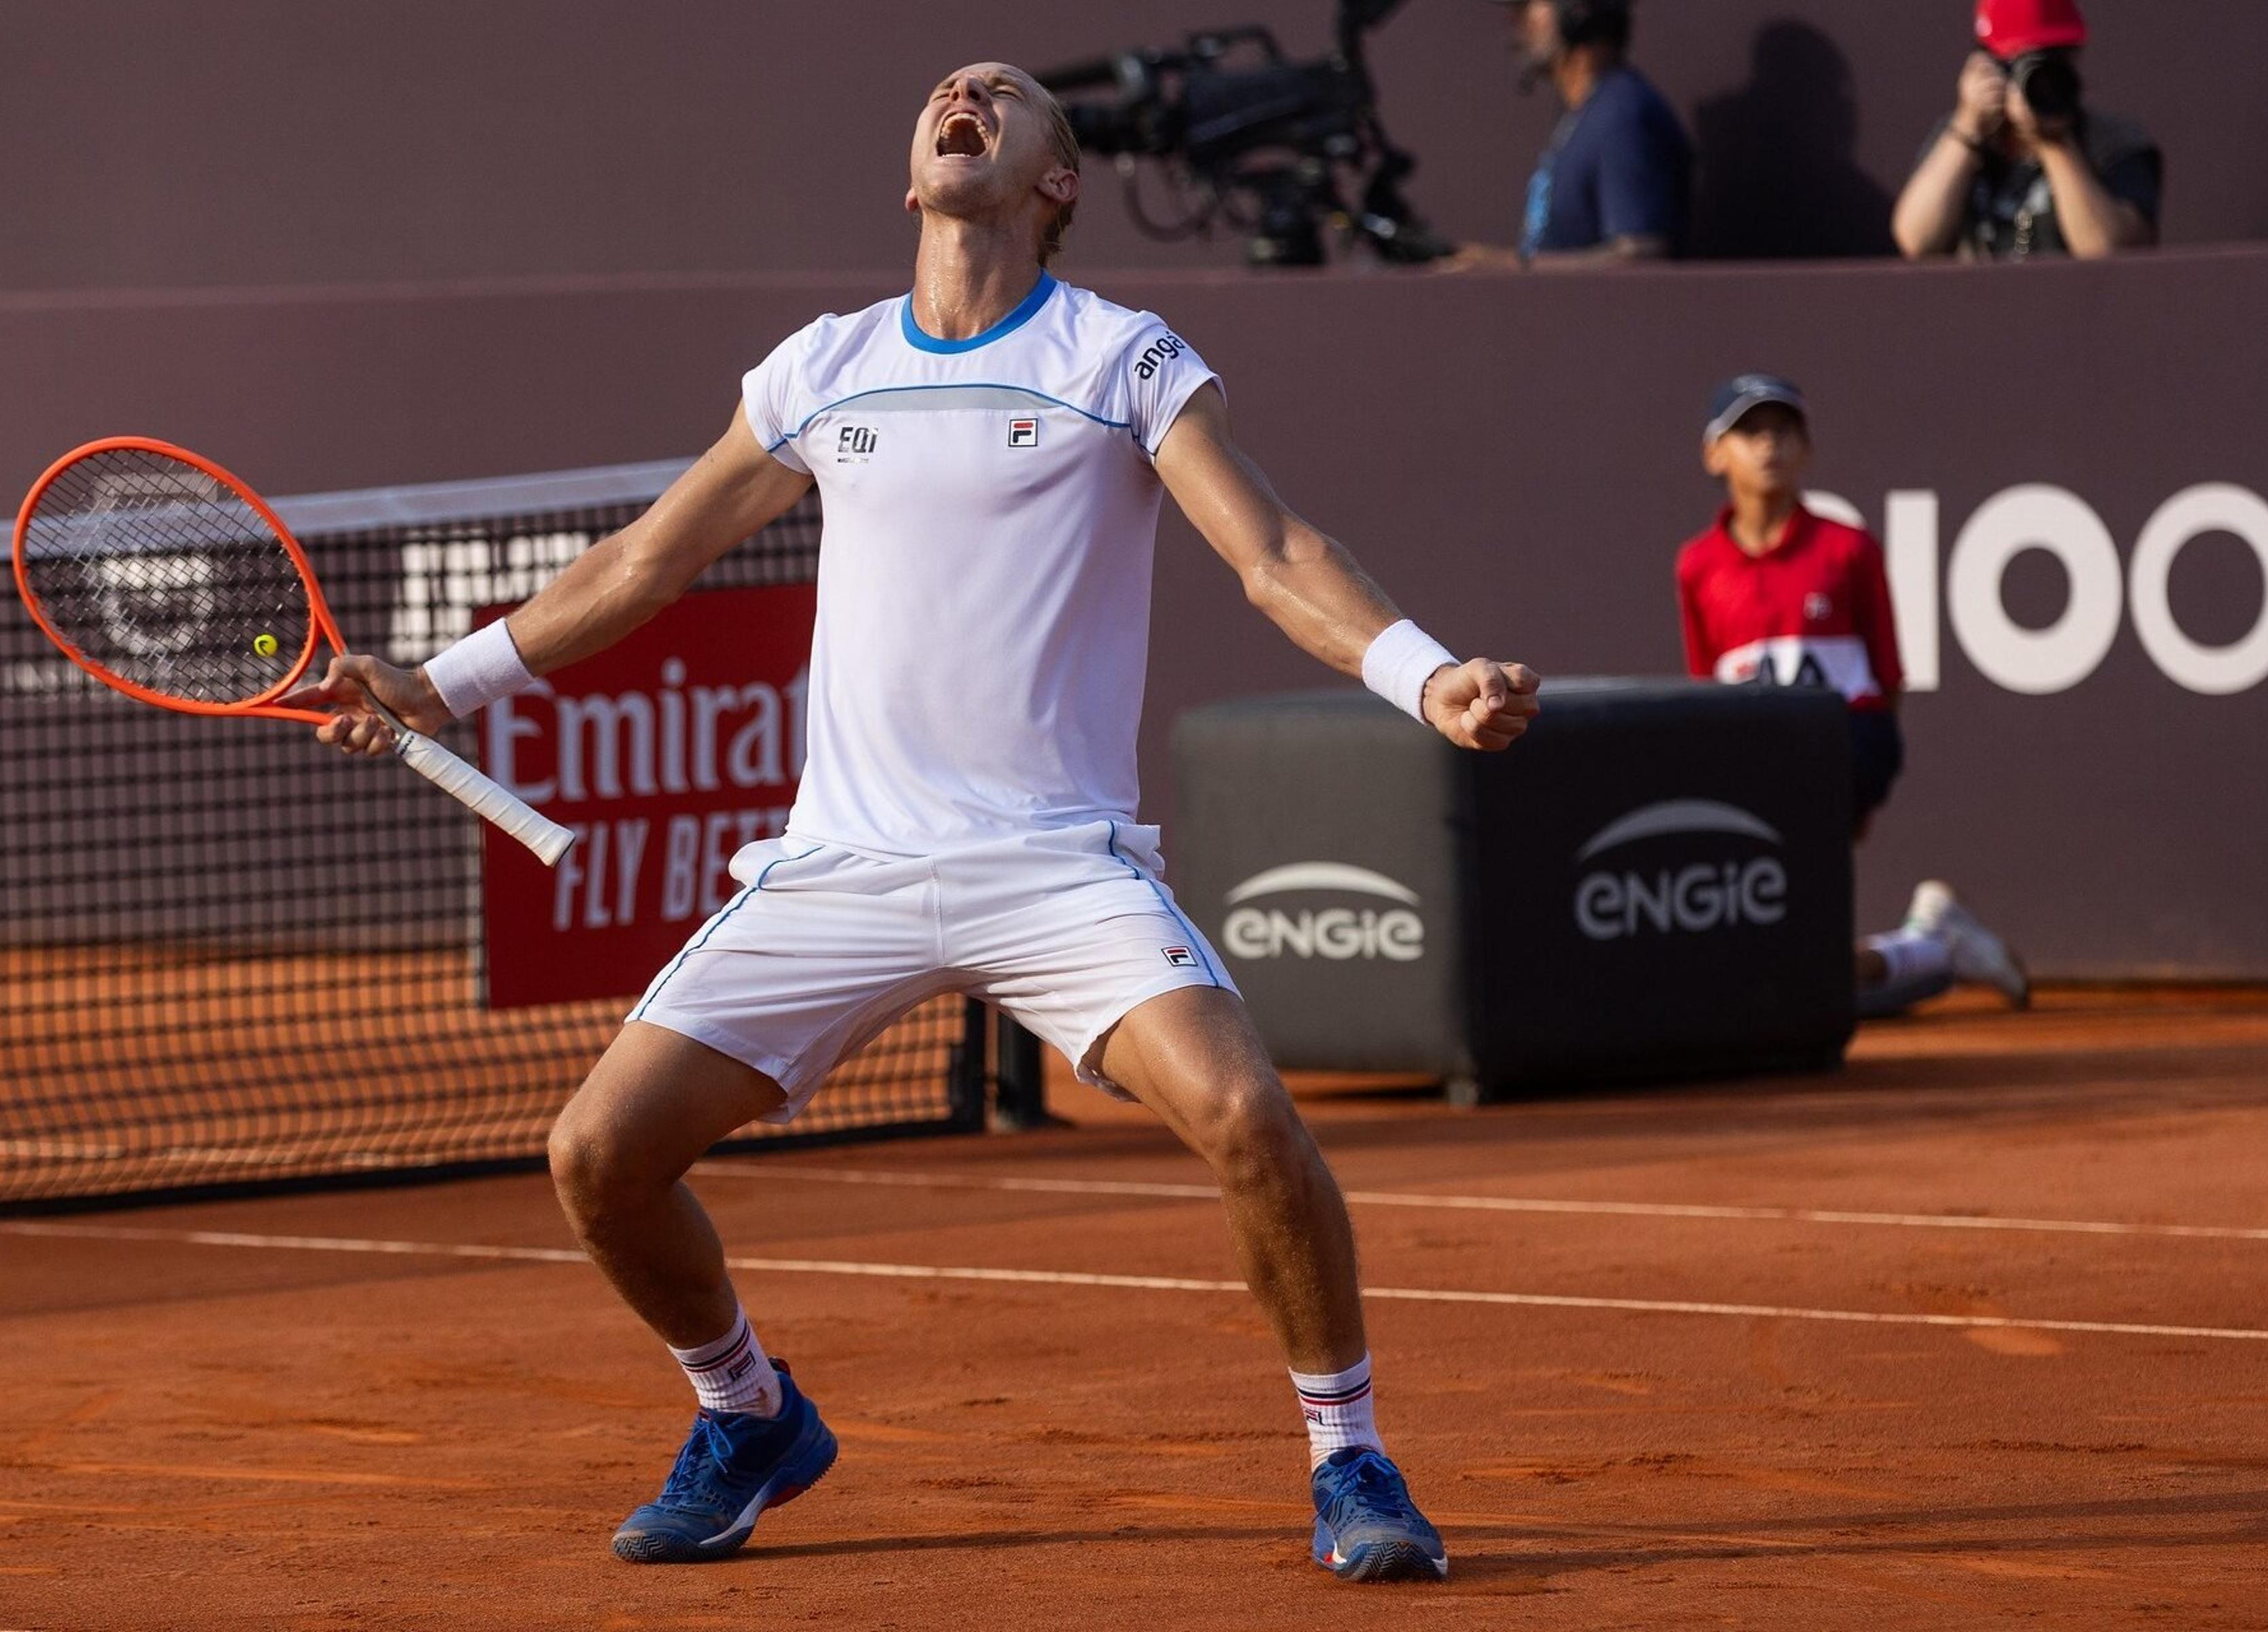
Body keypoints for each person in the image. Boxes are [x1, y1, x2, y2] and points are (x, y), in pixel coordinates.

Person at [295, 61, 1541, 1583]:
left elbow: (1275, 549)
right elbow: (647, 558)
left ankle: (1349, 1457)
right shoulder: (821, 368)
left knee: (1244, 1116)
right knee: (597, 1157)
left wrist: (1426, 678)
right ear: (913, 177)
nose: (969, 92)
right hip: (844, 866)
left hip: (1054, 867)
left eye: (1008, 96)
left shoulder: (1122, 357)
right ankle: (749, 1415)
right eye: (950, 89)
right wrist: (439, 684)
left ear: (1056, 180)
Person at [1676, 374, 2028, 1017]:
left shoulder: (1848, 550)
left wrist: (1859, 785)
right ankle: (1934, 944)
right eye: (1751, 432)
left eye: (1784, 431)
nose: (1770, 446)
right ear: (1714, 454)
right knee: (1797, 974)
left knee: (1791, 967)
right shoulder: (1697, 567)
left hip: (1848, 742)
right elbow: (1710, 692)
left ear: (1806, 449)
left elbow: (1887, 678)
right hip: (1756, 761)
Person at [1892, 0, 2161, 262]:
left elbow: (2108, 254)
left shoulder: (2114, 144)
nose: (2033, 78)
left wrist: (2053, 142)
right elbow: (1916, 241)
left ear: (2071, 60)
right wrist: (1967, 129)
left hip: (2080, 305)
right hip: (1978, 305)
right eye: (2017, 63)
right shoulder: (1960, 138)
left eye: (2049, 61)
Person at [1445, 0, 1692, 269]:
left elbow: (1640, 256)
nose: (1514, 21)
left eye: (1528, 6)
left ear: (1577, 13)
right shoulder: (1587, 111)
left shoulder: (1622, 114)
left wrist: (1508, 267)